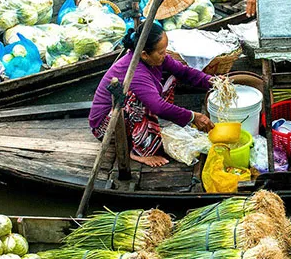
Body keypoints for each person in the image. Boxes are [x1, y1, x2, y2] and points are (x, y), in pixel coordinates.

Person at [89, 23, 214, 168]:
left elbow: (184, 72)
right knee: (140, 100)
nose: (165, 54)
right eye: (161, 52)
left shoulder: (156, 58)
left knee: (172, 78)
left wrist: (212, 81)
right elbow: (157, 106)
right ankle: (138, 151)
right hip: (108, 126)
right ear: (144, 54)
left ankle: (145, 130)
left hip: (125, 117)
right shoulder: (134, 70)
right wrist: (193, 116)